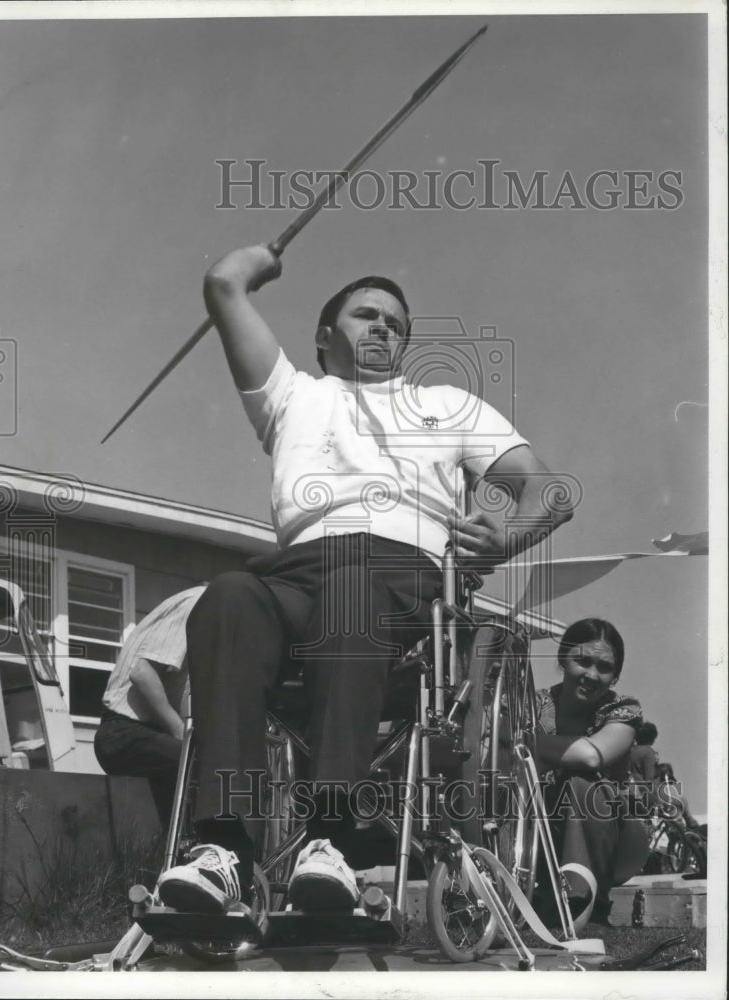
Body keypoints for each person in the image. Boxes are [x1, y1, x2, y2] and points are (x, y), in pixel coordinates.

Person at [156, 244, 573, 915]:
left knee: (352, 589)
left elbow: (549, 493)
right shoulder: (292, 397)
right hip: (294, 576)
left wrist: (507, 537)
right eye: (366, 316)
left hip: (401, 581)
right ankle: (225, 850)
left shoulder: (447, 404)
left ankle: (330, 838)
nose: (384, 328)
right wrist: (263, 258)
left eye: (396, 323)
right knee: (228, 595)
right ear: (324, 337)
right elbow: (223, 284)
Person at [535, 618, 646, 923]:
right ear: (562, 660)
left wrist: (530, 744)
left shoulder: (623, 709)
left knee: (583, 784)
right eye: (582, 661)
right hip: (543, 825)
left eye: (604, 667)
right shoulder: (532, 705)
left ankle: (584, 903)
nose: (592, 675)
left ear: (616, 675)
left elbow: (591, 757)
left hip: (614, 836)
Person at [94, 586, 206, 828]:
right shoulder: (200, 602)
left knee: (172, 823)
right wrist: (181, 734)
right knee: (211, 768)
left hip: (147, 735)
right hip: (125, 733)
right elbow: (142, 674)